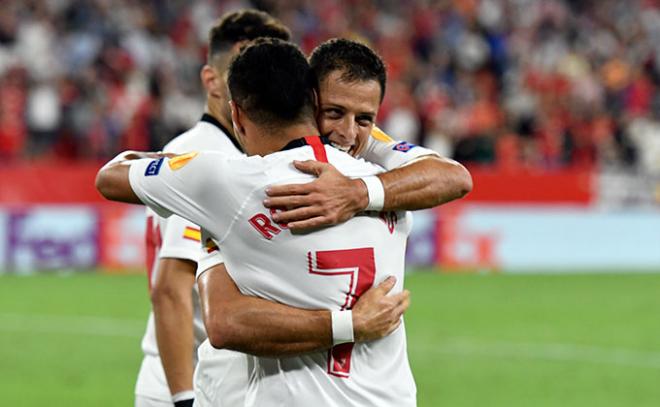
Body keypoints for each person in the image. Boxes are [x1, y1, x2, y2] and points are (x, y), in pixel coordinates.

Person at [97, 38, 417, 406]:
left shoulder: (224, 181)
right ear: (312, 104)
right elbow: (453, 176)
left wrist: (179, 167)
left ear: (237, 115)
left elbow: (111, 176)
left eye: (363, 119)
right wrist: (364, 191)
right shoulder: (389, 177)